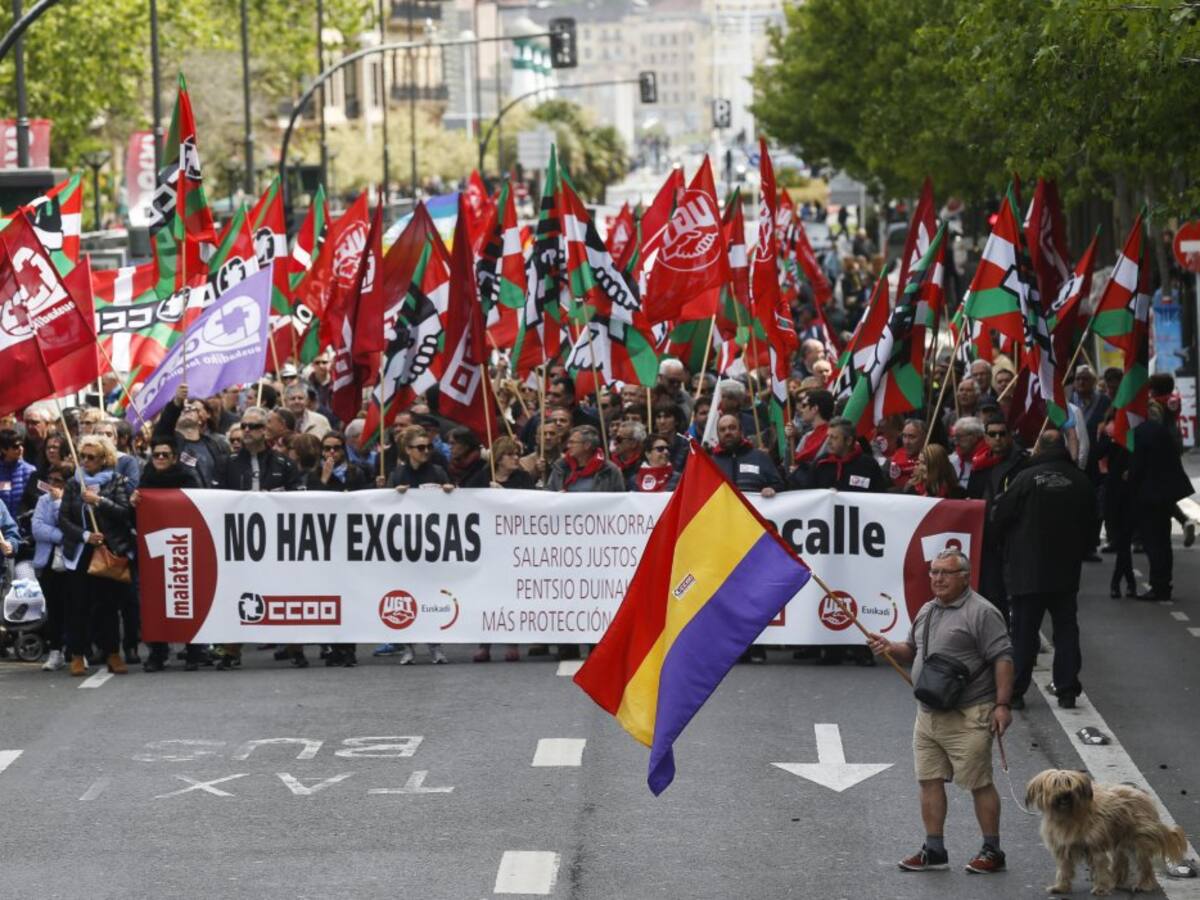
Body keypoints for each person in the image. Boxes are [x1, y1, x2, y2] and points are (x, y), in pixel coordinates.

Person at [866, 548, 1013, 876]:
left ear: (965, 577)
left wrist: (1003, 705)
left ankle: (992, 849)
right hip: (928, 712)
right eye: (934, 572)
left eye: (946, 572)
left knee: (979, 782)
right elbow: (911, 650)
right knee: (928, 779)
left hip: (970, 711)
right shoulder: (927, 610)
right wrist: (889, 647)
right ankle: (934, 850)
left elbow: (1003, 657)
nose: (938, 578)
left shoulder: (982, 612)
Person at [991, 430, 1096, 710]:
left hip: (1027, 570)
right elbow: (1093, 523)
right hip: (1065, 570)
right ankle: (1067, 689)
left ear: (1039, 447)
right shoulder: (1080, 480)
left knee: (1024, 633)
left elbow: (1001, 516)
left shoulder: (1025, 479)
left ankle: (1015, 692)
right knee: (1066, 629)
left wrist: (1003, 547)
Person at [215, 407, 305, 670]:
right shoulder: (227, 463)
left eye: (253, 426)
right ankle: (231, 650)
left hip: (277, 541)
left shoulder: (283, 463)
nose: (246, 431)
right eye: (243, 425)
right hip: (238, 542)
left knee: (284, 592)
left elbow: (301, 498)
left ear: (265, 430)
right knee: (235, 593)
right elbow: (214, 499)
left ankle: (295, 647)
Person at [57, 435, 136, 677]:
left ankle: (112, 653)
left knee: (108, 606)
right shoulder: (74, 484)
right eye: (83, 456)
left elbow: (124, 512)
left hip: (107, 551)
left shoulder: (117, 480)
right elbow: (64, 518)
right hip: (81, 552)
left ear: (104, 459)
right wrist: (84, 536)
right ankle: (77, 655)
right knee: (78, 606)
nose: (86, 461)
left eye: (91, 457)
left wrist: (99, 501)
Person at [376, 425, 453, 666]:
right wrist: (390, 492)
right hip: (405, 545)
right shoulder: (398, 474)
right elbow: (383, 507)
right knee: (406, 595)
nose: (426, 451)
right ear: (408, 450)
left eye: (428, 447)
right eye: (420, 448)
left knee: (432, 594)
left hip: (432, 545)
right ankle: (408, 647)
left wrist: (450, 491)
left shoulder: (438, 472)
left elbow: (454, 504)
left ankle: (435, 646)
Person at [132, 436, 205, 672]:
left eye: (165, 455)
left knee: (187, 597)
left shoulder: (188, 478)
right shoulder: (146, 479)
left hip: (183, 544)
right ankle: (158, 652)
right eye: (156, 455)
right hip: (154, 548)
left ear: (174, 458)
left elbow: (198, 505)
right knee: (155, 600)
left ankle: (194, 650)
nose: (160, 458)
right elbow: (133, 515)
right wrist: (134, 501)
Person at [1129, 401, 1194, 602]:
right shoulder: (1162, 431)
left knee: (1153, 542)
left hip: (1149, 495)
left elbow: (1137, 466)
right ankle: (1164, 584)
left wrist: (1129, 480)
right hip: (1165, 493)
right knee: (1163, 541)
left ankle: (1158, 585)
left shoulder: (1142, 433)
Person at [31, 462, 72, 671]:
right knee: (53, 607)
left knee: (71, 606)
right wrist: (60, 537)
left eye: (58, 481)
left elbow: (68, 525)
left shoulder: (72, 500)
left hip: (69, 562)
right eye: (51, 480)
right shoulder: (42, 500)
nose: (53, 485)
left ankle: (75, 650)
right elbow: (37, 528)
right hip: (47, 562)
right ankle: (55, 651)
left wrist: (58, 503)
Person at [153, 385, 229, 488]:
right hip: (180, 496)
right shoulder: (169, 442)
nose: (187, 410)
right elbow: (164, 425)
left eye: (192, 409)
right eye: (183, 409)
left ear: (200, 419)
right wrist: (177, 402)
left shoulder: (212, 445)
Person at [806, 418, 888, 492]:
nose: (829, 442)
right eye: (828, 437)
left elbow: (879, 495)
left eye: (834, 438)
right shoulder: (821, 463)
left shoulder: (868, 465)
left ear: (849, 440)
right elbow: (809, 493)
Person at [709, 415, 782, 496]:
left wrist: (772, 489)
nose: (727, 432)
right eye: (722, 430)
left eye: (732, 428)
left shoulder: (761, 457)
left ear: (741, 431)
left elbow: (780, 485)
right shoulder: (710, 464)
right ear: (718, 434)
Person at [546, 426, 626, 493]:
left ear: (587, 445)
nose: (568, 446)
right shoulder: (561, 466)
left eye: (572, 442)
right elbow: (550, 493)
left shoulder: (609, 470)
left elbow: (619, 499)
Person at [0, 428, 36, 520]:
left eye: (21, 445)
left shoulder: (30, 471)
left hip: (23, 522)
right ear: (4, 450)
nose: (20, 449)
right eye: (15, 447)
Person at [888, 419, 927, 491]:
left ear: (924, 438)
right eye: (904, 436)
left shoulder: (930, 459)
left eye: (912, 437)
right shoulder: (894, 457)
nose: (906, 442)